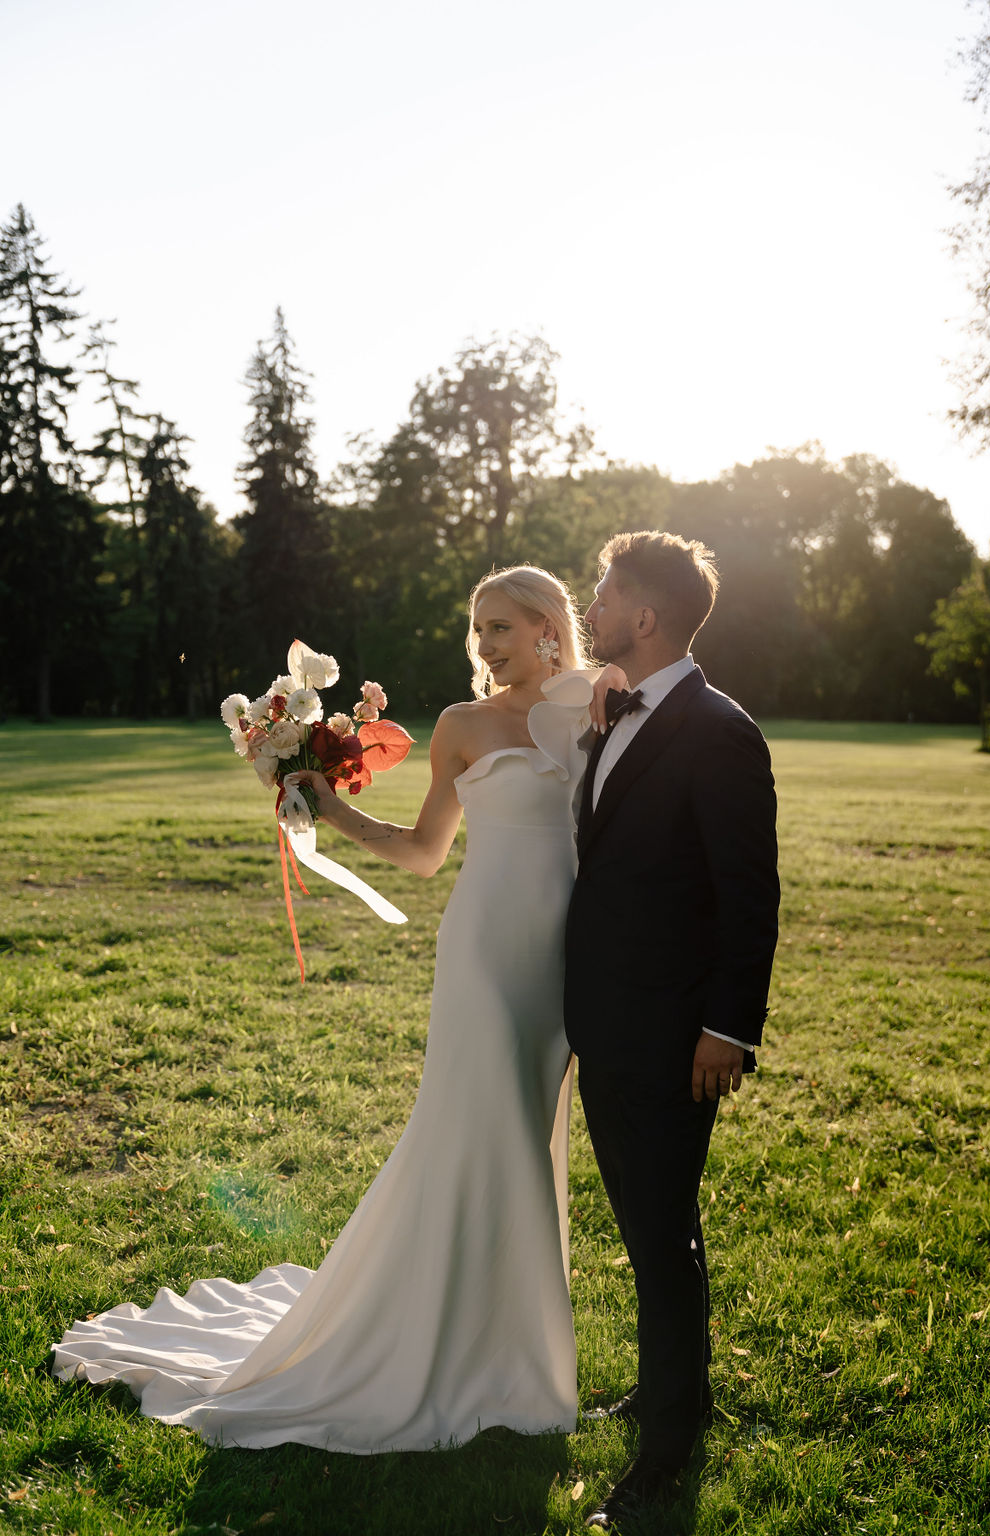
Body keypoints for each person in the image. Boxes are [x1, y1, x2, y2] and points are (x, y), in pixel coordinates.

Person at [52, 565, 602, 1454]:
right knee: (475, 1129)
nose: (486, 645)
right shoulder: (461, 727)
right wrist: (325, 807)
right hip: (486, 955)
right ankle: (461, 1351)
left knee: (528, 1141)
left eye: (502, 627)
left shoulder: (592, 713)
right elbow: (425, 854)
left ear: (548, 626)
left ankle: (508, 1343)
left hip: (566, 961)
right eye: (478, 629)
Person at [565, 530, 779, 1531]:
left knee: (661, 1236)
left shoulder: (719, 729)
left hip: (672, 1034)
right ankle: (666, 1395)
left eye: (602, 596)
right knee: (651, 1228)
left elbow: (748, 895)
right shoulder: (617, 709)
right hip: (606, 1021)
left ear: (644, 616)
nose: (590, 609)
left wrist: (727, 1029)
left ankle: (664, 1451)